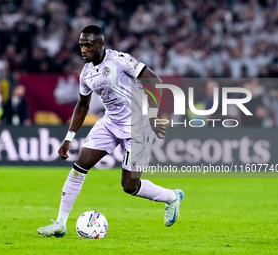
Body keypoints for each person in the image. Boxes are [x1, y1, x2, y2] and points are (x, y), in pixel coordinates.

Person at [38, 25, 184, 237]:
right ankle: (60, 223)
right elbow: (82, 105)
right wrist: (69, 137)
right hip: (110, 123)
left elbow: (154, 81)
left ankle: (172, 196)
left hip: (138, 125)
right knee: (78, 168)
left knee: (129, 186)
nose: (84, 49)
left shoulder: (120, 60)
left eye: (88, 45)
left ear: (101, 44)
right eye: (81, 45)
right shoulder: (86, 73)